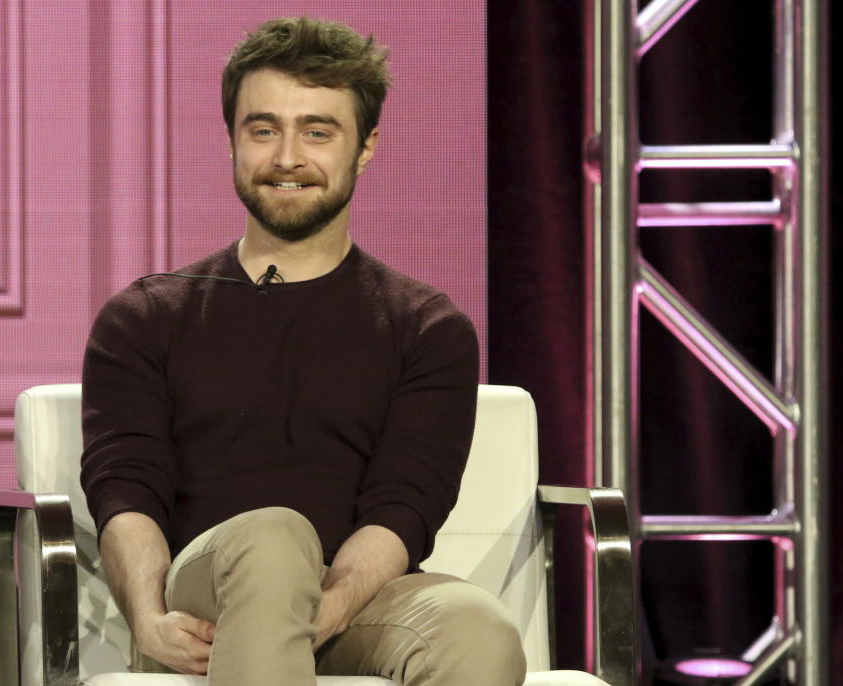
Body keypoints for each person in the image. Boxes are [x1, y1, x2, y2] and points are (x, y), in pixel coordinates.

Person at [79, 15, 525, 686]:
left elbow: (405, 505)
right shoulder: (143, 317)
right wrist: (147, 621)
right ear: (232, 139)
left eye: (318, 132)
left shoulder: (428, 328)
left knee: (476, 630)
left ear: (366, 146)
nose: (288, 157)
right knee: (274, 540)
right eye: (264, 130)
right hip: (210, 593)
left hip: (351, 597)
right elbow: (127, 492)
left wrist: (332, 607)